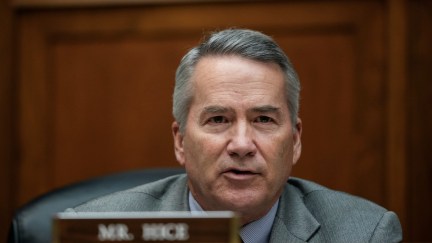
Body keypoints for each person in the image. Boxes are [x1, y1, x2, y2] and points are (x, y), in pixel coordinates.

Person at [71, 28, 402, 242]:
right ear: (180, 141)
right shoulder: (95, 231)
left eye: (263, 120)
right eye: (218, 119)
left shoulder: (365, 233)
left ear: (296, 140)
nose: (242, 145)